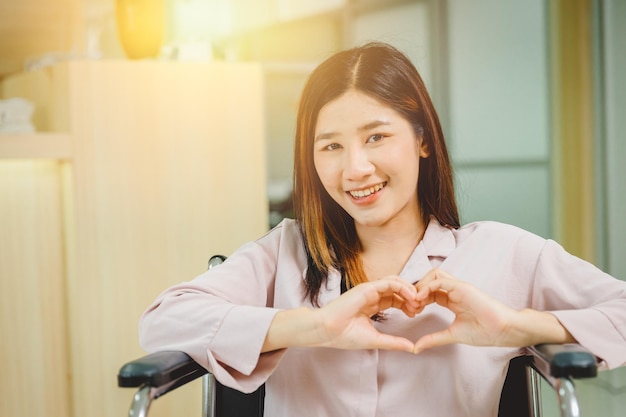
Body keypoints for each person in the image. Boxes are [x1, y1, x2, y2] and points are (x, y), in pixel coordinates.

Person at [139, 42, 626, 416]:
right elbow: (162, 321)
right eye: (330, 146)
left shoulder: (503, 252)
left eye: (376, 136)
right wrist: (311, 326)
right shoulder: (284, 252)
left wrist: (517, 326)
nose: (355, 169)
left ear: (422, 140)